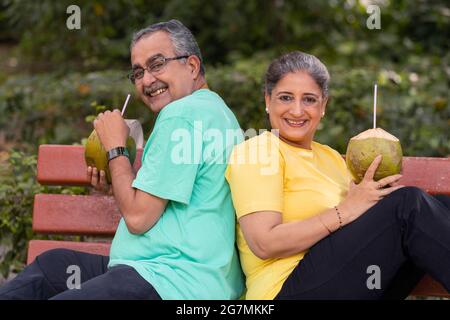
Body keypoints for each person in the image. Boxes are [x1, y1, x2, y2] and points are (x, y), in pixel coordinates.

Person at [0, 19, 244, 300]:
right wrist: (117, 182)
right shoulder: (216, 110)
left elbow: (139, 218)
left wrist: (116, 148)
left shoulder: (182, 115)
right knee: (51, 267)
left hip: (171, 281)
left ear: (191, 65)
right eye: (138, 72)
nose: (147, 80)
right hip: (175, 272)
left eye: (157, 64)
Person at [225, 51, 450, 300]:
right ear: (267, 101)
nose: (297, 110)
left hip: (346, 284)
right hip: (284, 290)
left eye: (309, 99)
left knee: (442, 206)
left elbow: (353, 230)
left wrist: (375, 203)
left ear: (323, 106)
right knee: (408, 205)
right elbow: (264, 243)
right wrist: (346, 210)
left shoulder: (332, 158)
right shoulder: (259, 150)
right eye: (285, 97)